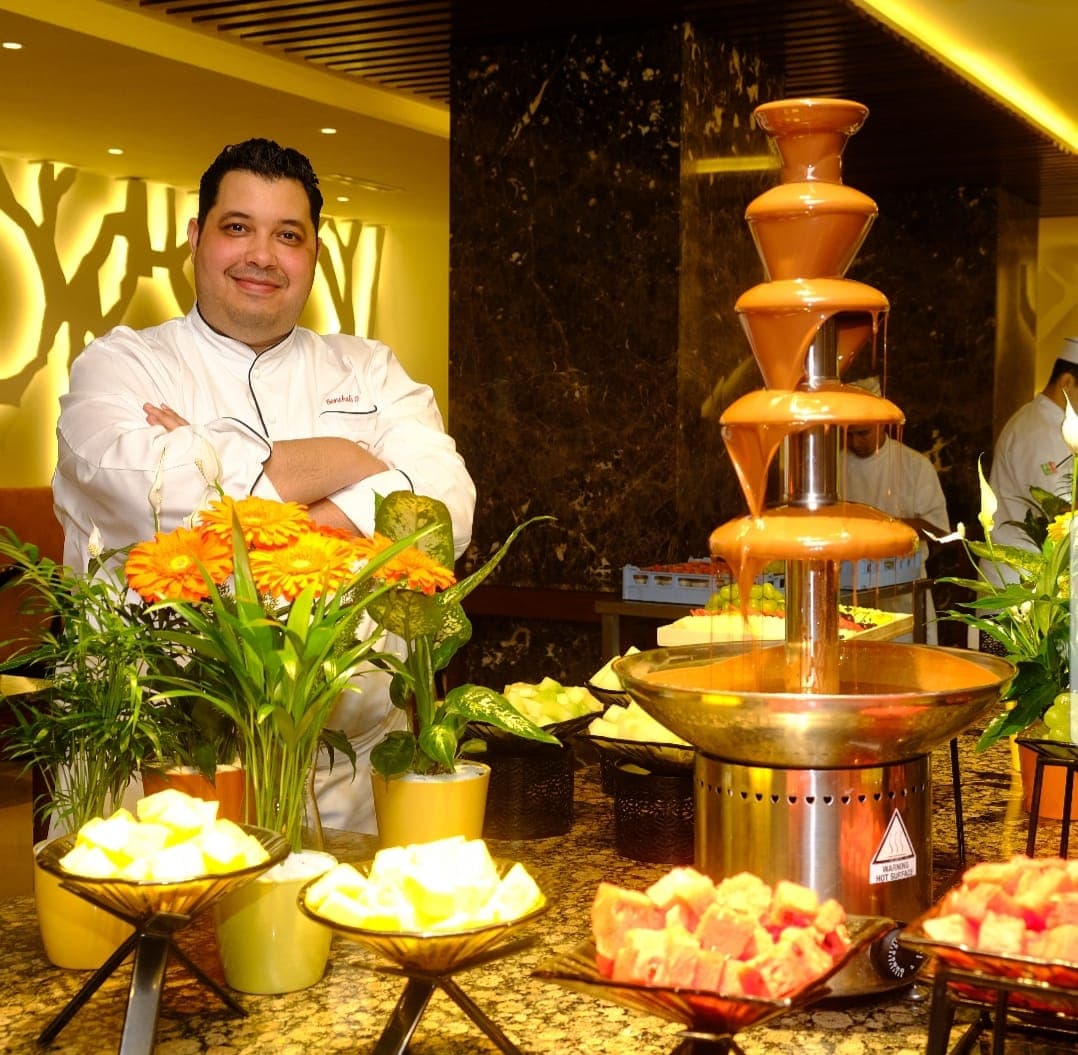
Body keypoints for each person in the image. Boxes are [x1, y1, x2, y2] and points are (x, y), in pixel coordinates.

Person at [52, 138, 476, 833]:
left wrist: (216, 459)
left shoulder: (368, 370)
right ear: (196, 238)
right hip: (155, 776)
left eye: (288, 234)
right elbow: (149, 490)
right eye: (237, 227)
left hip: (344, 781)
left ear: (314, 251)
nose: (261, 256)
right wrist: (349, 457)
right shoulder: (121, 366)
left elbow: (440, 512)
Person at [842, 377, 950, 644]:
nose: (855, 442)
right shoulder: (833, 467)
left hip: (904, 595)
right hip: (848, 595)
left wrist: (887, 525)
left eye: (863, 433)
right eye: (849, 433)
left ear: (882, 424)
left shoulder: (915, 466)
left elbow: (940, 532)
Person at [981, 335, 1078, 582]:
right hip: (1018, 586)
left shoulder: (1053, 424)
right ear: (1067, 383)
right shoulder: (1042, 432)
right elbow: (1062, 514)